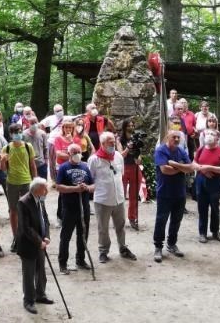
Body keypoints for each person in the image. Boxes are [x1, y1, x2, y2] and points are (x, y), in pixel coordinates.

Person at [88, 131, 136, 263]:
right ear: (102, 144)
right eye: (110, 143)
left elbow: (121, 174)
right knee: (103, 228)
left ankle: (123, 248)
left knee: (120, 226)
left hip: (119, 198)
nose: (112, 145)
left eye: (114, 142)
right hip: (102, 199)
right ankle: (103, 251)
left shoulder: (118, 157)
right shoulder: (94, 160)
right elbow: (89, 179)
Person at [152, 130, 194, 263]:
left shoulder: (181, 151)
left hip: (180, 193)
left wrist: (175, 165)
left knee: (176, 220)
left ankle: (172, 244)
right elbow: (165, 170)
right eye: (173, 137)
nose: (176, 139)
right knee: (161, 220)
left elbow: (190, 168)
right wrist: (182, 168)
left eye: (178, 137)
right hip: (165, 192)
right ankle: (158, 246)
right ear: (167, 138)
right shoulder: (160, 151)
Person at [16, 177, 54, 314]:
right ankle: (29, 300)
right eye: (45, 188)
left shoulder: (40, 199)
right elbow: (26, 228)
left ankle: (40, 295)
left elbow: (45, 219)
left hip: (40, 242)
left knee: (41, 271)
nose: (47, 191)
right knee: (29, 273)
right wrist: (40, 242)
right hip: (28, 244)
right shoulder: (23, 202)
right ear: (38, 189)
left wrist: (47, 236)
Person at [56, 143, 93, 274]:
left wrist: (86, 188)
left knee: (83, 234)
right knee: (66, 236)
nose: (77, 154)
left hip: (84, 207)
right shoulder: (63, 167)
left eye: (79, 151)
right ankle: (63, 263)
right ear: (69, 154)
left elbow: (93, 185)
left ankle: (81, 260)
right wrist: (74, 189)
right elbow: (59, 187)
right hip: (69, 207)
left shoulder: (85, 166)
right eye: (74, 152)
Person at [1, 123, 37, 251]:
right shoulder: (6, 148)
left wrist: (36, 180)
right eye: (15, 132)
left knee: (29, 209)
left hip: (26, 181)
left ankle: (30, 236)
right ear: (10, 134)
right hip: (12, 182)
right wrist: (2, 160)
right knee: (13, 211)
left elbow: (32, 165)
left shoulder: (28, 147)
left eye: (19, 131)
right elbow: (3, 169)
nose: (18, 134)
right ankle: (16, 237)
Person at [194, 130, 220, 243]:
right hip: (201, 181)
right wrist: (203, 170)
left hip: (216, 182)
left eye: (212, 134)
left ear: (217, 138)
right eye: (207, 134)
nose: (209, 136)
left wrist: (209, 168)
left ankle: (215, 231)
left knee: (215, 207)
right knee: (202, 207)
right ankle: (202, 233)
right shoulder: (201, 149)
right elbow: (193, 163)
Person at [117, 120, 141, 230]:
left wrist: (138, 158)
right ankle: (119, 218)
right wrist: (128, 147)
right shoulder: (119, 139)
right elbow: (120, 155)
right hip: (124, 168)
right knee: (121, 194)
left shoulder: (136, 139)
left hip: (135, 168)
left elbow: (139, 157)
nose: (131, 127)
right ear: (124, 127)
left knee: (134, 195)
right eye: (129, 125)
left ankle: (132, 218)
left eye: (132, 125)